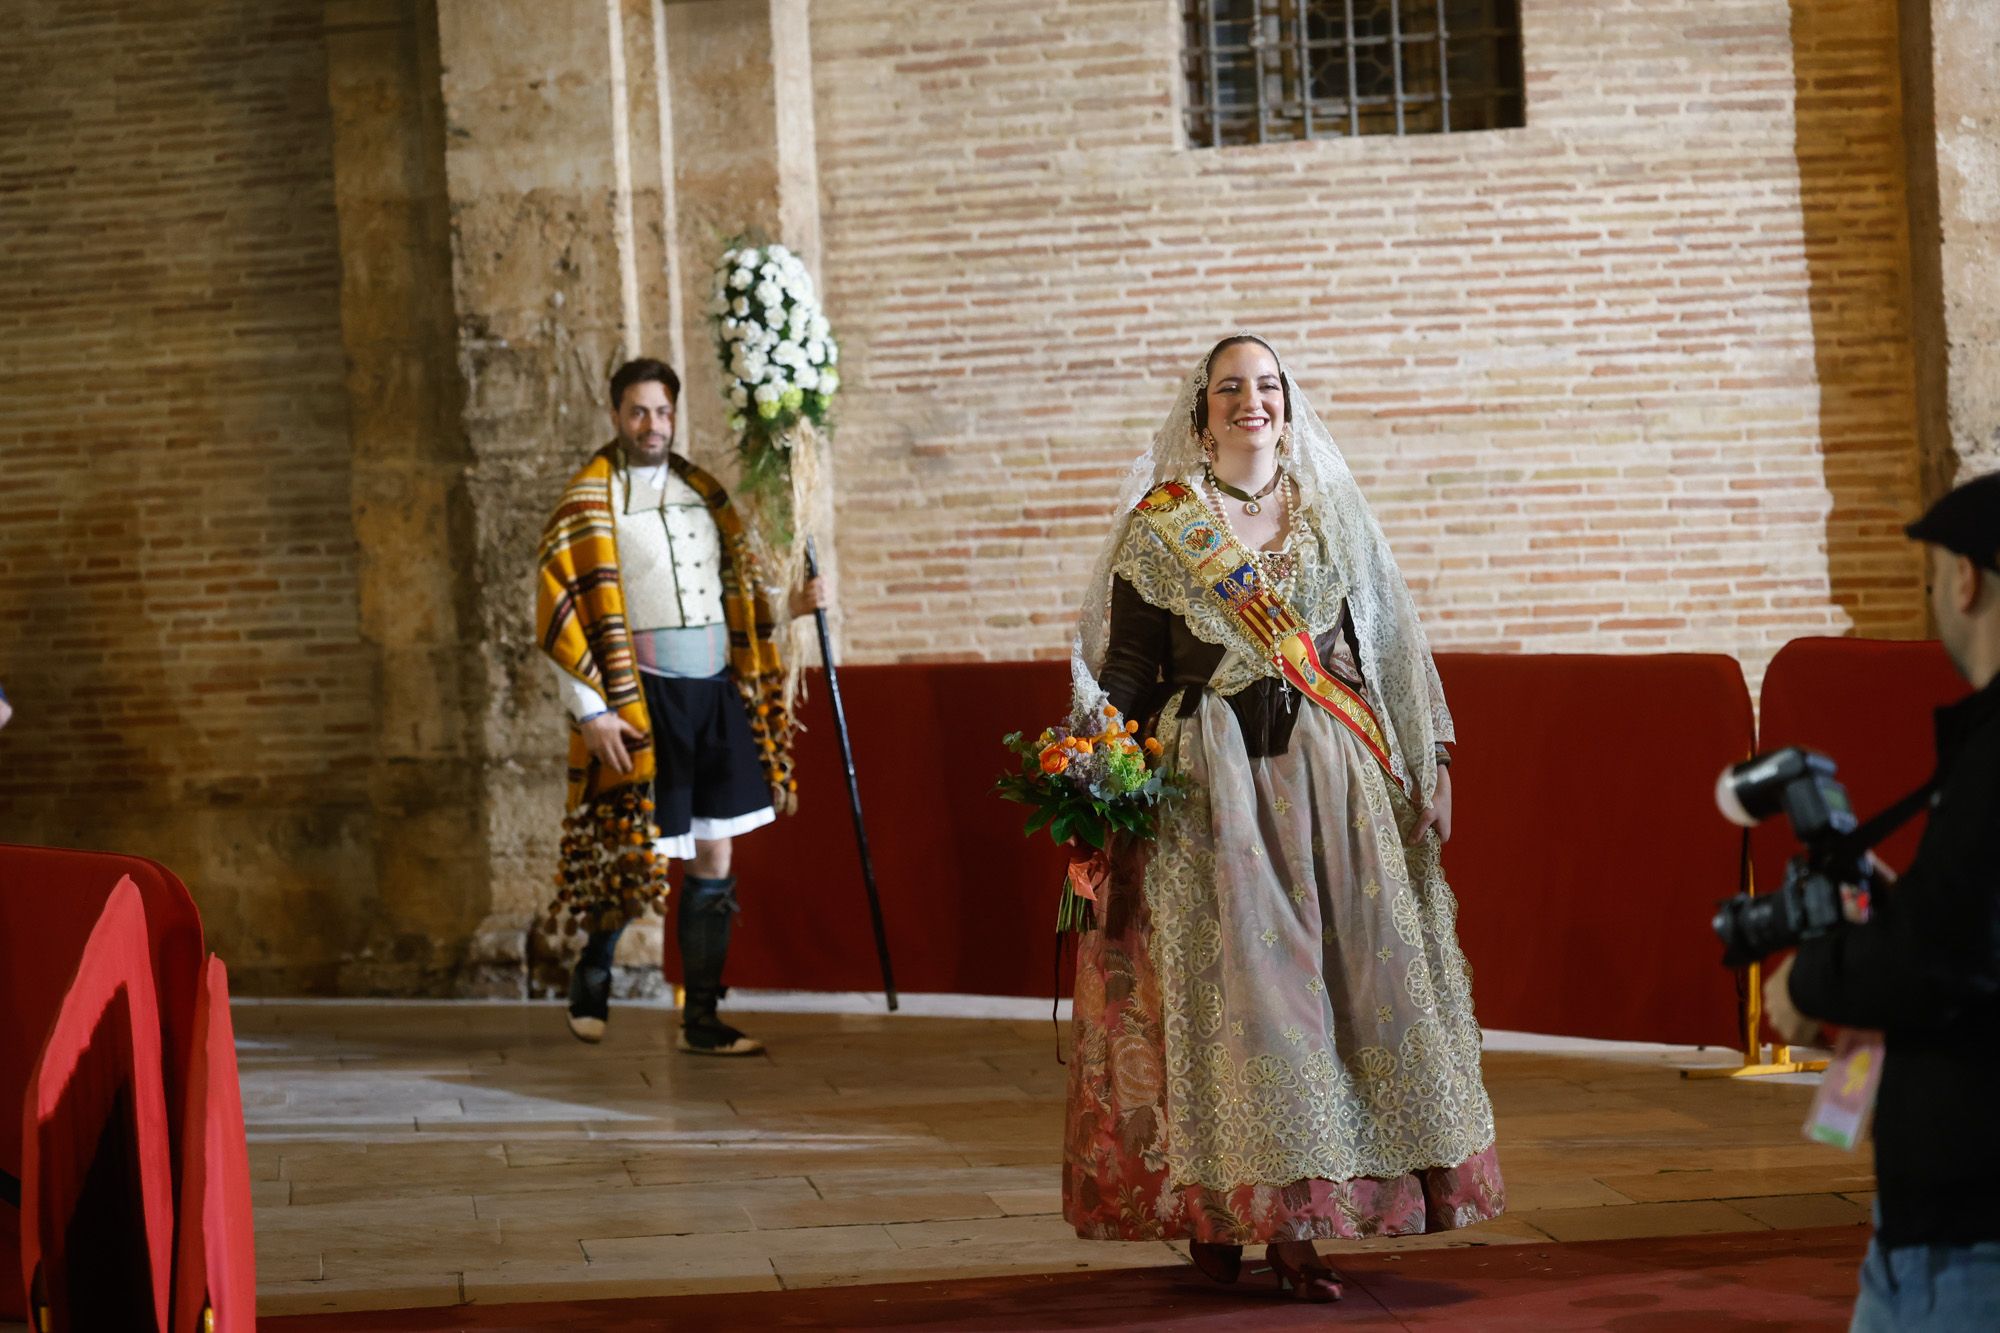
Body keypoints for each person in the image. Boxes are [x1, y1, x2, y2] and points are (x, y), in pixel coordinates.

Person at [1061, 335, 1503, 1301]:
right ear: (1201, 414)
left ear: (1289, 408)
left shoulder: (1336, 520)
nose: (1249, 402)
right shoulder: (1162, 526)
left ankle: (1301, 1223)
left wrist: (1432, 761)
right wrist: (1097, 762)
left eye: (1266, 386)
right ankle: (1215, 1212)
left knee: (1319, 1003)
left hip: (1329, 790)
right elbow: (1130, 666)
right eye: (1230, 389)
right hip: (1205, 796)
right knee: (1228, 1010)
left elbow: (1386, 648)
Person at [536, 357, 826, 1055]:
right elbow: (559, 611)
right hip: (644, 697)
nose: (652, 425)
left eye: (662, 411)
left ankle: (700, 1016)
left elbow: (740, 595)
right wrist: (592, 710)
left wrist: (791, 607)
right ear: (615, 414)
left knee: (714, 852)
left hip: (716, 691)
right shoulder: (587, 501)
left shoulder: (705, 494)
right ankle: (593, 973)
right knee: (638, 848)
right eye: (638, 411)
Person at [1765, 469, 2000, 1331]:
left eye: (1934, 574)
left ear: (1966, 578)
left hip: (1970, 1235)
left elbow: (1941, 950)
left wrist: (1809, 982)